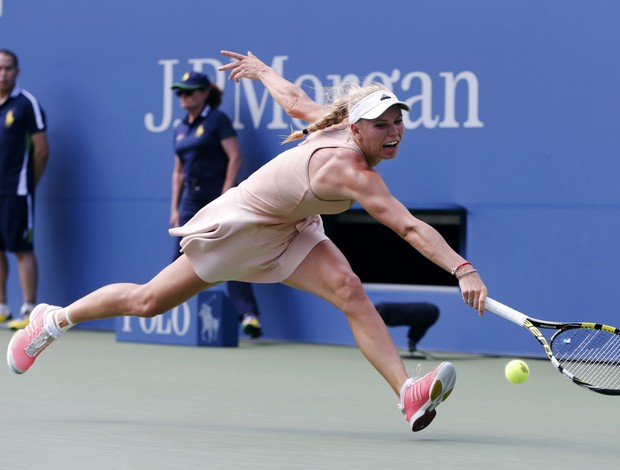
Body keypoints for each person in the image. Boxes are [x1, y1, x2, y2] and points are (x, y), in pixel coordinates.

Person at [7, 50, 488, 433]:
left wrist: (262, 72)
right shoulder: (350, 168)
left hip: (291, 228)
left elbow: (295, 98)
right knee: (148, 301)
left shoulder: (335, 121)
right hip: (244, 227)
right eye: (381, 124)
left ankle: (407, 392)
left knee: (349, 289)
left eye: (397, 120)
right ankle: (52, 319)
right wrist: (461, 269)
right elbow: (407, 226)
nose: (393, 131)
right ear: (357, 127)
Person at [170, 71, 263, 338]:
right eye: (180, 92)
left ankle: (249, 315)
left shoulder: (217, 120)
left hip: (216, 196)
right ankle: (174, 316)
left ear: (203, 93)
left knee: (231, 255)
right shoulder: (179, 127)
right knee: (180, 257)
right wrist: (174, 208)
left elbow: (235, 158)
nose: (183, 97)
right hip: (190, 200)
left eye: (189, 92)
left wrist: (226, 196)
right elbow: (178, 171)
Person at [0, 49, 49, 330]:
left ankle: (30, 308)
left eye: (7, 68)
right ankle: (2, 307)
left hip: (18, 191)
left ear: (16, 71)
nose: (2, 73)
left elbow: (42, 151)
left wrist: (28, 185)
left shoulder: (27, 104)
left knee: (21, 248)